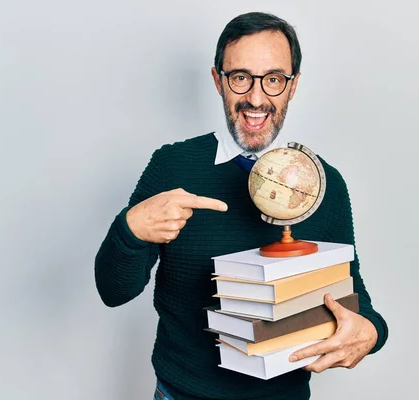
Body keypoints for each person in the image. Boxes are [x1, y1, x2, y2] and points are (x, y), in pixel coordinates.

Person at [94, 11, 388, 400]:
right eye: (240, 77)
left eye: (273, 80)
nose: (255, 98)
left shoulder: (325, 184)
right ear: (218, 81)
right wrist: (130, 229)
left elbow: (355, 299)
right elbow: (113, 291)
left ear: (293, 86)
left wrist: (372, 332)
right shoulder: (172, 167)